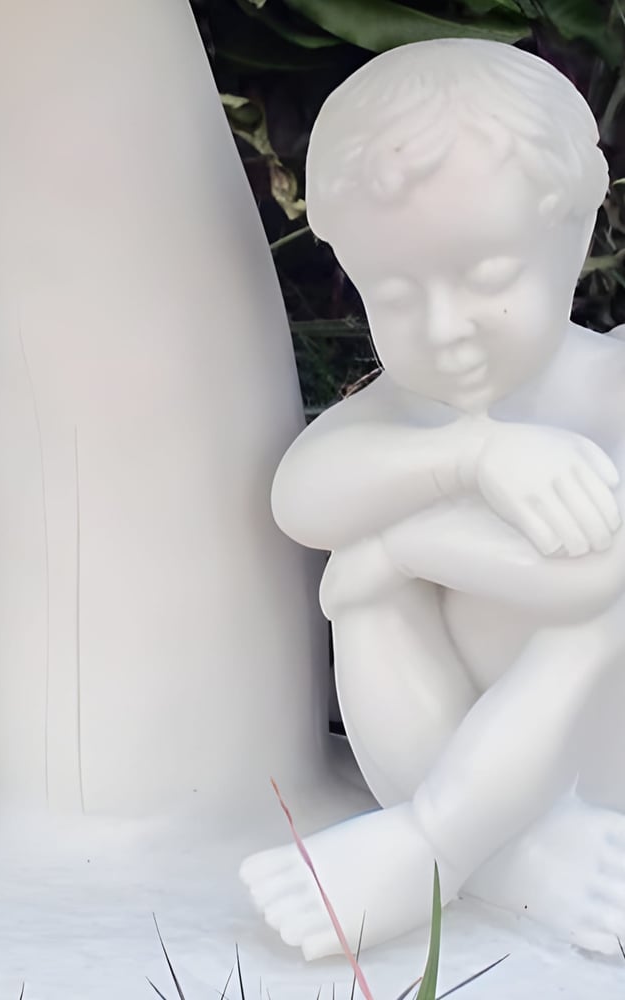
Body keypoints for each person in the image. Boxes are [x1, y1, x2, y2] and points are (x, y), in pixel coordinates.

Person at [240, 38, 625, 958]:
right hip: (433, 740)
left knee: (590, 617)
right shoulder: (409, 415)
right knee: (362, 591)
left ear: (574, 235)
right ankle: (510, 856)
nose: (446, 329)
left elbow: (591, 583)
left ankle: (443, 844)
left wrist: (405, 546)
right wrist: (469, 456)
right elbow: (300, 499)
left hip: (597, 747)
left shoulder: (610, 388)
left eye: (487, 277)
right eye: (396, 292)